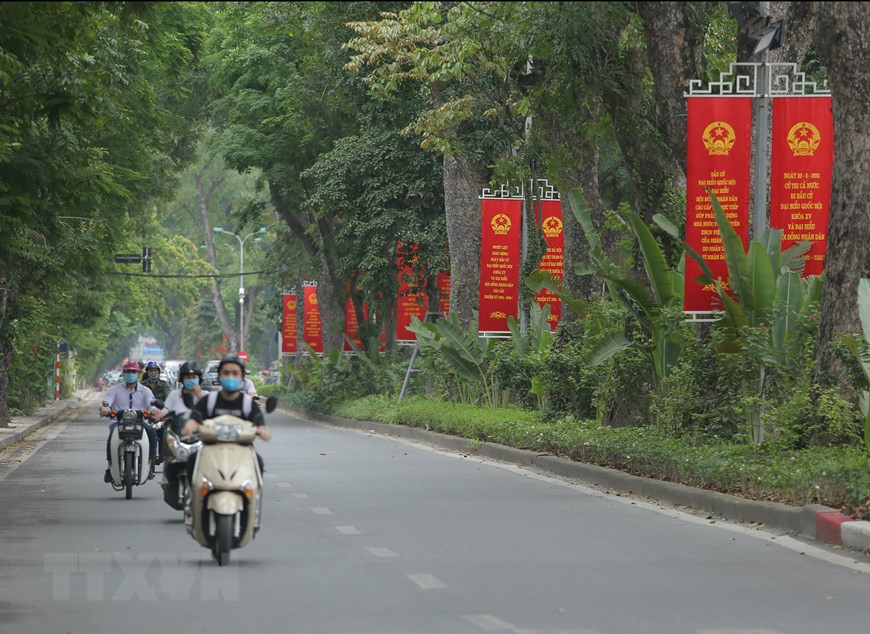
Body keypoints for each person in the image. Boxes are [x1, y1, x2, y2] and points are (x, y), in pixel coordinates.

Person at [182, 355, 271, 475]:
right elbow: (194, 419)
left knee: (258, 463)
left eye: (235, 373)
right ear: (219, 375)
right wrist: (189, 428)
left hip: (243, 448)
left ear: (242, 377)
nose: (230, 377)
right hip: (211, 448)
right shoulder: (208, 400)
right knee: (192, 460)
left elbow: (260, 425)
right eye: (226, 373)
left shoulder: (248, 404)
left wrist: (263, 432)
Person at [99, 361, 160, 483]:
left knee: (152, 433)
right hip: (119, 422)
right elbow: (106, 402)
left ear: (138, 374)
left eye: (133, 372)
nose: (130, 374)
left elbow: (151, 405)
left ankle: (148, 464)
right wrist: (105, 409)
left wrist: (154, 411)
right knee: (111, 437)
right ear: (124, 374)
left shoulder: (145, 390)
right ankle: (110, 467)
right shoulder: (115, 390)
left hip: (140, 422)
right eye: (128, 372)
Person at [158, 361, 203, 433]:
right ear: (182, 379)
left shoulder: (205, 395)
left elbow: (210, 412)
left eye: (194, 377)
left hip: (200, 433)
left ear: (199, 379)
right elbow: (166, 409)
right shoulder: (174, 395)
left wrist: (199, 396)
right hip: (178, 431)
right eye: (188, 378)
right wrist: (159, 415)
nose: (191, 380)